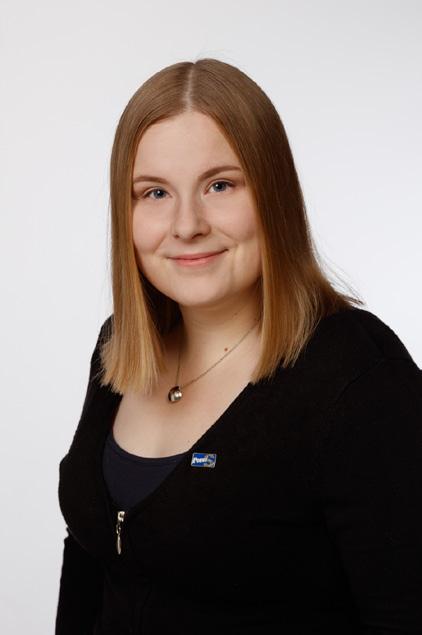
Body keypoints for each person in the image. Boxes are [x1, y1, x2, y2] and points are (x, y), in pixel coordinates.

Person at [55, 58, 422, 634]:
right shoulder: (121, 347)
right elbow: (88, 565)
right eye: (154, 192)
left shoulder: (357, 373)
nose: (187, 225)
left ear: (274, 194)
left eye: (220, 185)